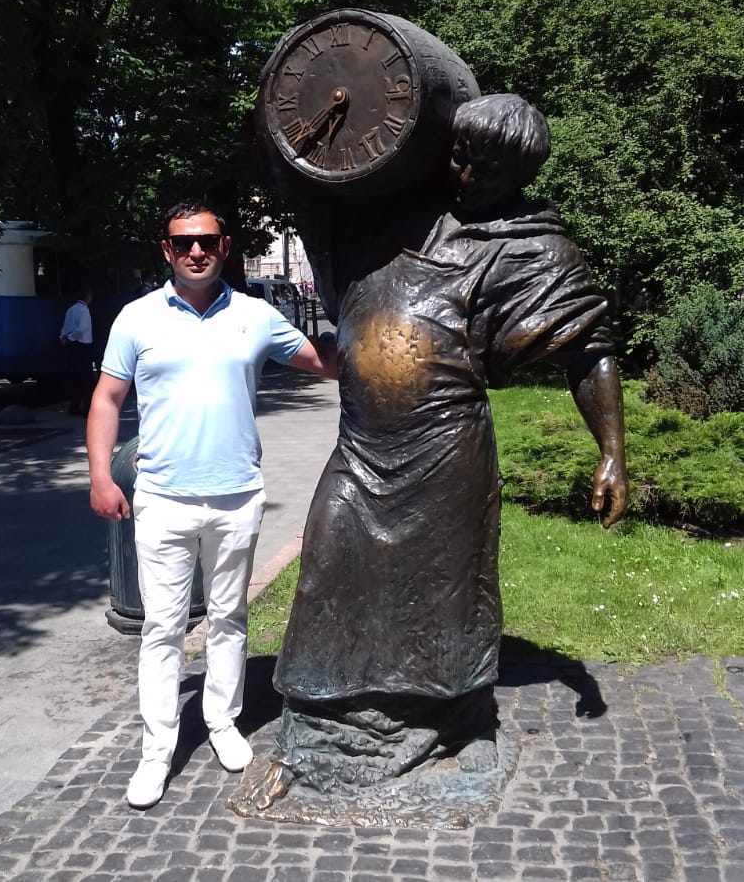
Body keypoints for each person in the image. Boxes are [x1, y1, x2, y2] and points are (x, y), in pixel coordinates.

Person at [243, 94, 627, 810]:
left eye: (488, 169)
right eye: (459, 156)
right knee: (329, 573)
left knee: (442, 599)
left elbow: (588, 352)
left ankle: (441, 724)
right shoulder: (389, 216)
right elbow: (300, 178)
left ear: (517, 177)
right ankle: (315, 730)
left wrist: (612, 451)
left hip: (446, 454)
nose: (467, 175)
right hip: (362, 449)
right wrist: (310, 122)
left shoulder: (532, 249)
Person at [86, 199, 337, 809]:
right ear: (166, 250)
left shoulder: (256, 315)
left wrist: (380, 348)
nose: (194, 251)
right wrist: (100, 476)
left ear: (224, 246)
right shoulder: (137, 318)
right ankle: (156, 752)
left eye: (205, 241)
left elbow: (322, 363)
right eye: (182, 242)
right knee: (163, 627)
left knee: (228, 617)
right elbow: (106, 400)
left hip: (237, 497)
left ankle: (222, 722)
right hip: (162, 498)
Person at [59, 287, 95, 416]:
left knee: (75, 378)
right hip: (82, 346)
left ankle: (74, 406)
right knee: (86, 379)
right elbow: (82, 329)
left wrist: (64, 338)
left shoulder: (71, 309)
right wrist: (70, 337)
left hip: (72, 347)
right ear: (87, 297)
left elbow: (65, 327)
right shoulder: (84, 310)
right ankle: (87, 408)